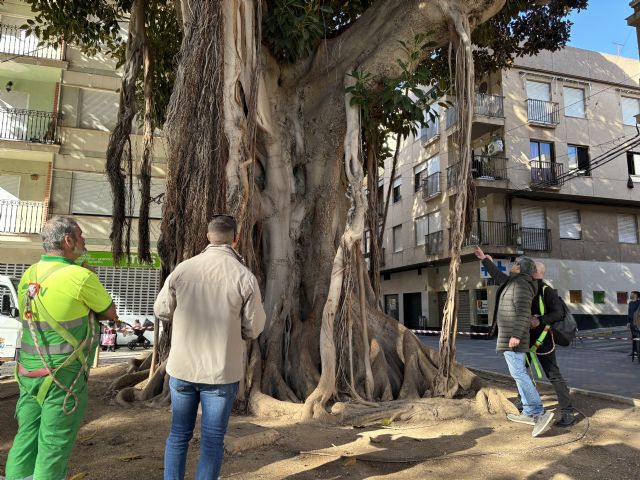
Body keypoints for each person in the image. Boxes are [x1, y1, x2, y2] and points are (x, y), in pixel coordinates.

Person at [5, 216, 117, 480]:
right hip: (63, 377)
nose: (84, 240)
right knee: (53, 445)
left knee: (26, 438)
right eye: (81, 236)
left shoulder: (29, 274)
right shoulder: (80, 276)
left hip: (28, 373)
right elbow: (109, 312)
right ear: (68, 241)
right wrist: (87, 273)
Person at [154, 214, 266, 480]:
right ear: (236, 240)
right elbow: (254, 327)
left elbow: (161, 310)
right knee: (213, 440)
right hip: (220, 372)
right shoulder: (244, 276)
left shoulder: (183, 269)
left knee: (179, 434)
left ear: (208, 237)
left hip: (182, 369)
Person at [474, 246, 554, 438]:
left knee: (519, 373)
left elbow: (523, 313)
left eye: (516, 264)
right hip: (509, 336)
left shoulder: (523, 285)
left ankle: (538, 411)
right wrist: (485, 259)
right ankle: (528, 411)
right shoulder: (514, 281)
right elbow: (497, 276)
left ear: (522, 268)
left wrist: (517, 335)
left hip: (514, 336)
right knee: (518, 372)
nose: (513, 265)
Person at [527, 262, 575, 427]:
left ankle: (568, 413)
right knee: (521, 373)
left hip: (543, 341)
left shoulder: (546, 291)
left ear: (534, 271)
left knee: (554, 375)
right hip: (526, 339)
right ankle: (525, 406)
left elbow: (559, 313)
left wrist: (538, 320)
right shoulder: (527, 289)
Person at [628, 291, 640, 357]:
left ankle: (638, 352)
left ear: (635, 295)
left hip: (638, 323)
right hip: (631, 322)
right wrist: (628, 322)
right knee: (634, 337)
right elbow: (629, 313)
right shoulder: (630, 303)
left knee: (638, 338)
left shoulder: (639, 303)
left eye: (631, 294)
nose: (630, 295)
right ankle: (634, 351)